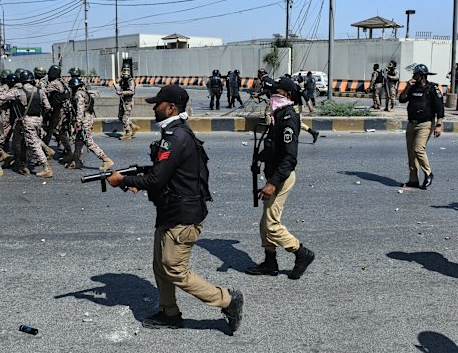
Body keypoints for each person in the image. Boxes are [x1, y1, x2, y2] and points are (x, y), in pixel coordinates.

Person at [106, 84, 244, 332]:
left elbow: (157, 179)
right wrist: (136, 180)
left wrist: (124, 180)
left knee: (175, 269)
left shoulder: (175, 137)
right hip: (171, 212)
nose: (154, 108)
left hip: (182, 216)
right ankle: (169, 313)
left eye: (157, 104)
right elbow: (165, 174)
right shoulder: (176, 132)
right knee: (160, 265)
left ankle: (227, 300)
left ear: (170, 108)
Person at [245, 76, 315, 279]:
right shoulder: (278, 114)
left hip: (281, 177)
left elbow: (289, 158)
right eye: (272, 92)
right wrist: (260, 158)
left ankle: (301, 253)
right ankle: (270, 262)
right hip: (273, 174)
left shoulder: (288, 118)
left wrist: (272, 183)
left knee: (272, 225)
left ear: (289, 96)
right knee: (264, 224)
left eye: (278, 93)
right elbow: (274, 147)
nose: (273, 95)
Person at [0, 70, 53, 178]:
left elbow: (2, 97)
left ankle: (47, 168)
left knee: (34, 144)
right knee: (32, 142)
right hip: (38, 120)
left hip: (27, 121)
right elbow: (48, 107)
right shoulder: (40, 91)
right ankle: (26, 164)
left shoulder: (19, 91)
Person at [398, 64, 444, 189]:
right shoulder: (412, 88)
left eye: (415, 74)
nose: (413, 76)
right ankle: (413, 180)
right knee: (411, 153)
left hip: (425, 124)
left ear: (422, 76)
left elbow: (440, 107)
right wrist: (407, 87)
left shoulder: (432, 88)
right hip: (412, 123)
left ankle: (428, 173)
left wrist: (439, 124)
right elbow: (401, 99)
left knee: (418, 149)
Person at [67, 77, 113, 171]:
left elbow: (80, 109)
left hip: (84, 120)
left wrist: (78, 123)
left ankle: (106, 160)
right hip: (87, 118)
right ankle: (75, 161)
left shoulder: (79, 94)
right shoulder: (84, 92)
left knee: (88, 141)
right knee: (79, 141)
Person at [116, 66, 140, 140]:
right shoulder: (123, 79)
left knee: (125, 118)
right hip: (122, 100)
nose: (125, 73)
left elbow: (132, 92)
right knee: (120, 117)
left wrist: (122, 92)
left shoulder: (130, 80)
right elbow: (117, 82)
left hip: (128, 101)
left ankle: (127, 134)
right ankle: (133, 126)